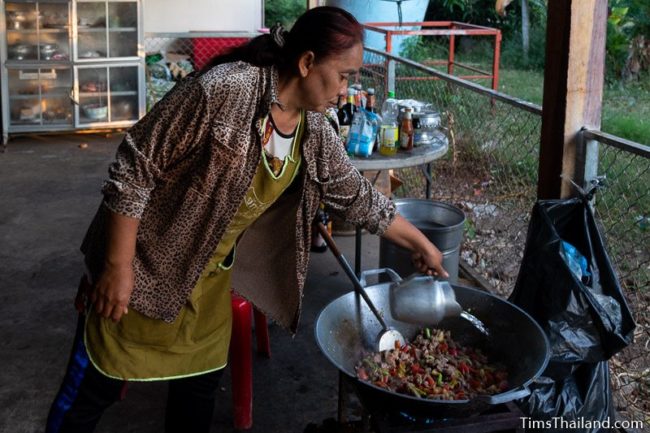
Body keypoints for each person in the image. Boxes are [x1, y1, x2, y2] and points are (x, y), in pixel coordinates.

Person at [45, 6, 448, 433]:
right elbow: (134, 166)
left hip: (207, 293)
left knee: (196, 399)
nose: (347, 90)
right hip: (143, 271)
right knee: (92, 393)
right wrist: (116, 267)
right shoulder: (225, 90)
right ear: (307, 62)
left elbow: (357, 196)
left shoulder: (315, 128)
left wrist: (421, 244)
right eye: (343, 75)